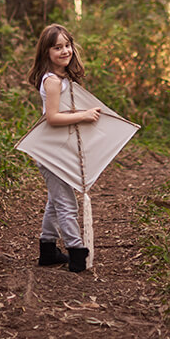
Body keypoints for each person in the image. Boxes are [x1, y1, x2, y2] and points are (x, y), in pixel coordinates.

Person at [26, 23, 101, 273]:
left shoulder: (60, 78)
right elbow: (52, 118)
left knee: (56, 201)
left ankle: (48, 250)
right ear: (46, 52)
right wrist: (83, 116)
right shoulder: (52, 81)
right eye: (57, 47)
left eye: (67, 45)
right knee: (67, 204)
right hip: (50, 152)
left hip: (56, 149)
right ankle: (77, 252)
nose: (65, 51)